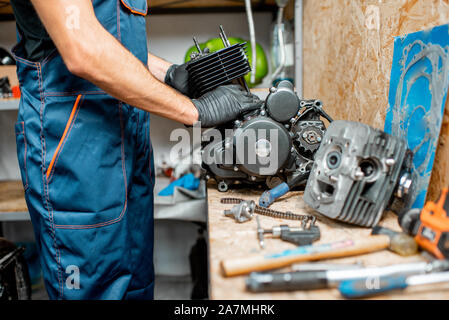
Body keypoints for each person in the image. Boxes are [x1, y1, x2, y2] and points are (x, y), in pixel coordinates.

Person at [10, 0, 261, 300]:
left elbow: (109, 41)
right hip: (75, 155)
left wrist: (172, 74)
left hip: (128, 147)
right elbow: (82, 48)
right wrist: (195, 110)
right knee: (93, 291)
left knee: (137, 286)